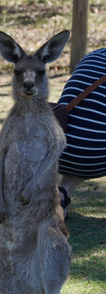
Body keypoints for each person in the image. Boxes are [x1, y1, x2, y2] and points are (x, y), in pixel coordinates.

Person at [57, 48, 106, 215]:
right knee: (91, 135)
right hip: (93, 155)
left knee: (87, 133)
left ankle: (61, 194)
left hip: (56, 151)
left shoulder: (93, 56)